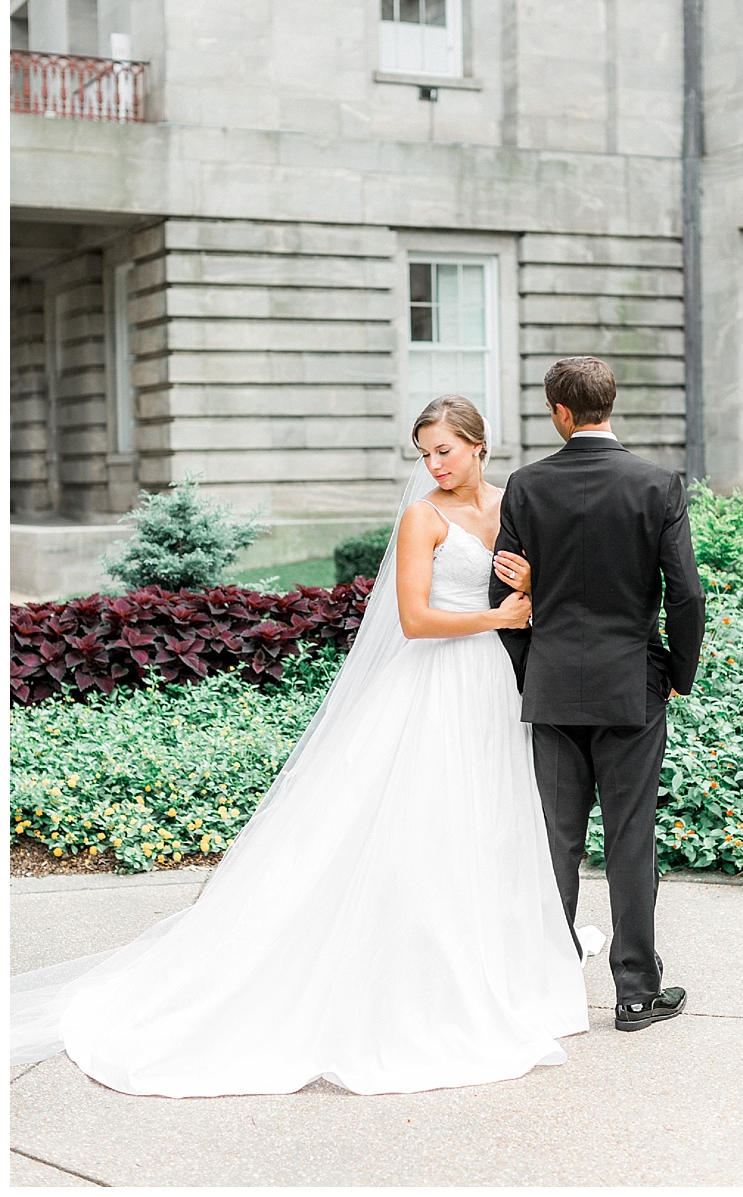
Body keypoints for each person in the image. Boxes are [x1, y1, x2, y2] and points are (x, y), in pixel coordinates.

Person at [11, 395, 592, 1096]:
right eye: (424, 453)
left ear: (478, 445)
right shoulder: (422, 518)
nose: (434, 465)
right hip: (433, 683)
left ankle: (490, 960)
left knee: (487, 821)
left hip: (490, 686)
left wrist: (528, 582)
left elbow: (548, 580)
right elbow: (412, 619)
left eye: (444, 450)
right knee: (420, 819)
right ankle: (412, 967)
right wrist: (493, 615)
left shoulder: (511, 504)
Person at [489, 356, 706, 1033]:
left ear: (560, 412)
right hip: (632, 686)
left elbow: (502, 595)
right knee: (631, 838)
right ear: (611, 405)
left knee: (556, 842)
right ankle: (637, 994)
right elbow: (688, 594)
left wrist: (532, 668)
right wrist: (677, 672)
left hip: (554, 686)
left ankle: (549, 993)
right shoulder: (655, 484)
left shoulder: (525, 488)